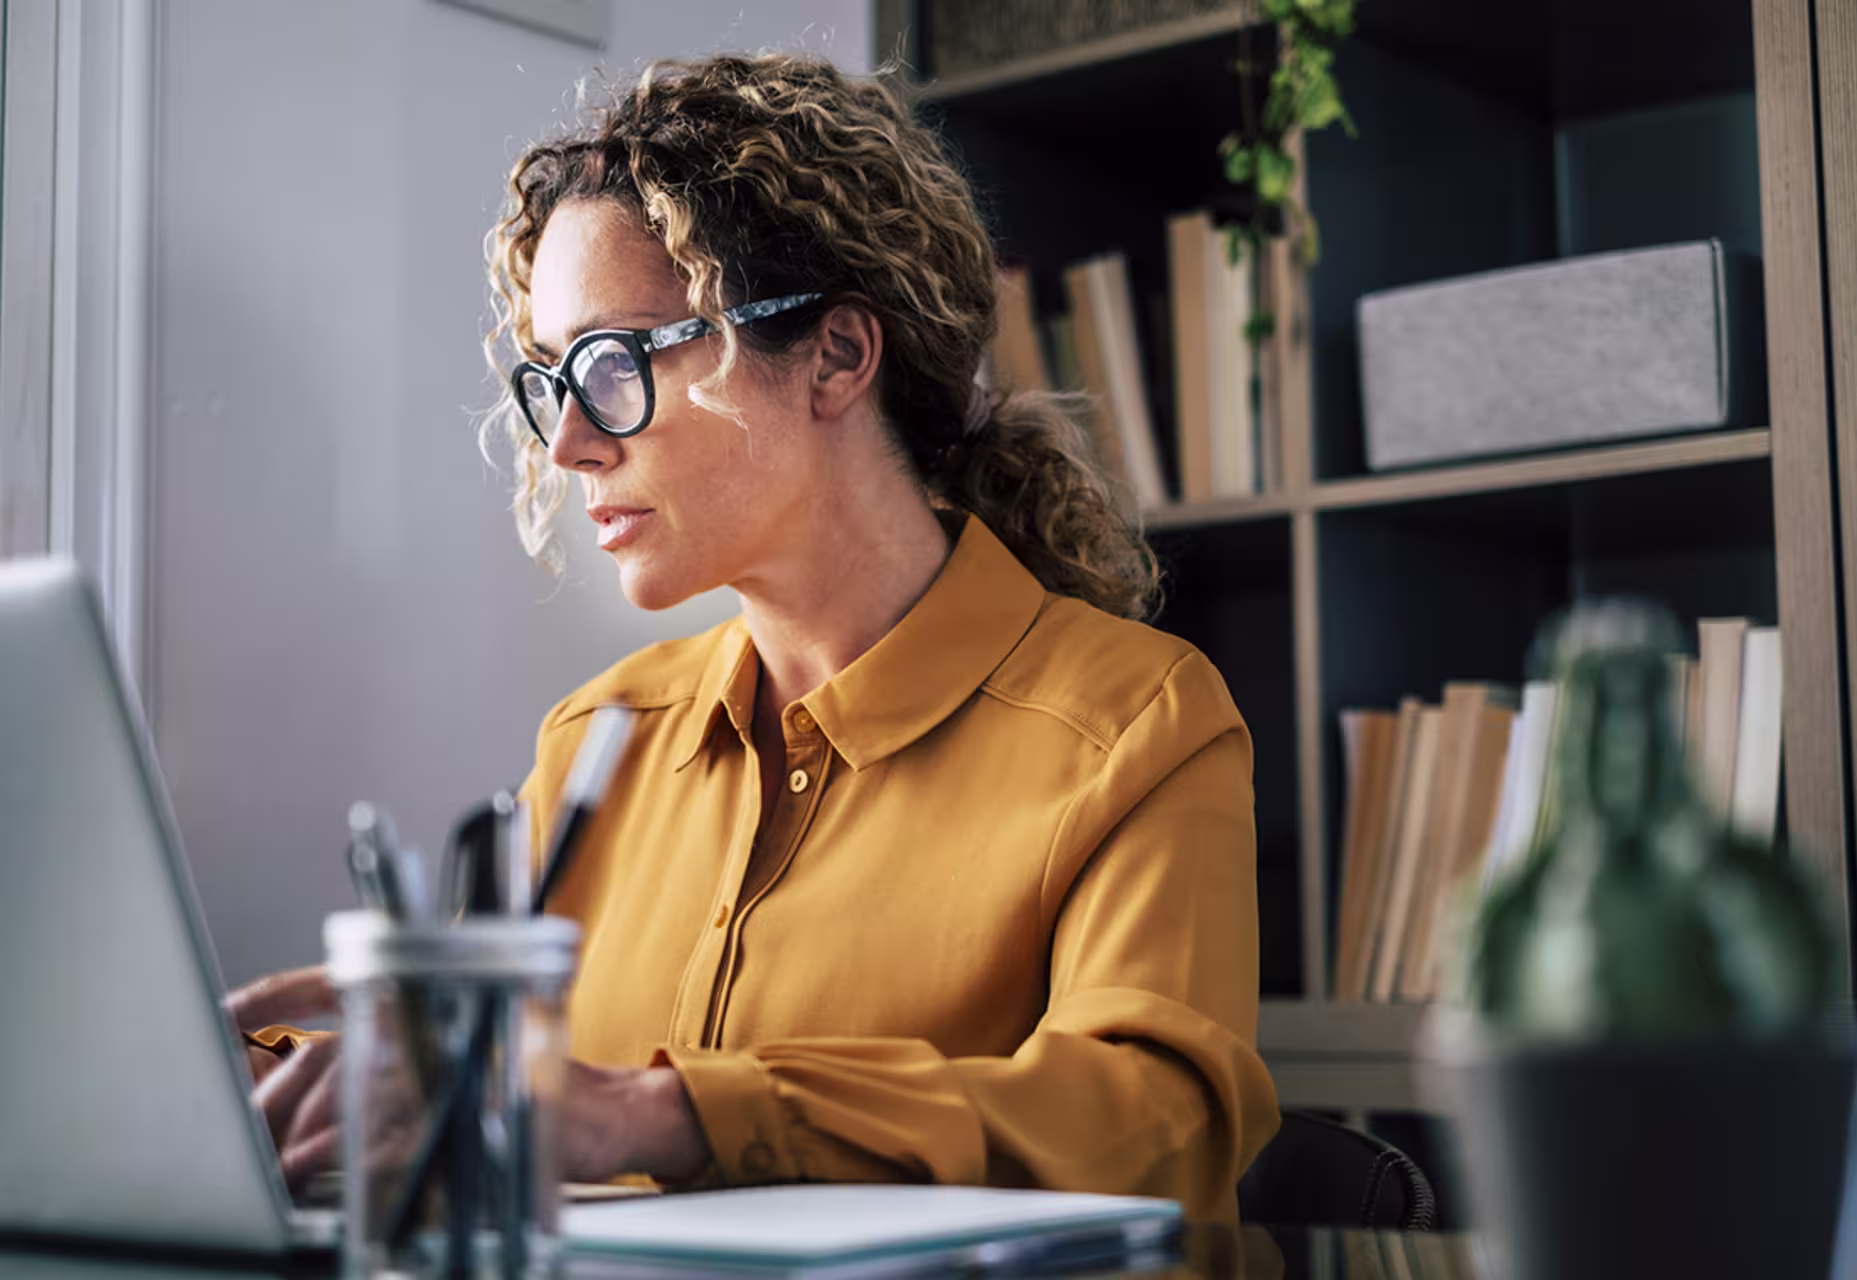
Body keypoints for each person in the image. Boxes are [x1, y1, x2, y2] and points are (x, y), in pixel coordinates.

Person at [231, 50, 1279, 1224]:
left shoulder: (1137, 721)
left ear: (835, 356)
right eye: (550, 378)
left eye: (614, 362)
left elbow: (1155, 1121)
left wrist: (649, 1112)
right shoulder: (597, 739)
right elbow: (464, 1089)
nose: (569, 440)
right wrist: (260, 1077)